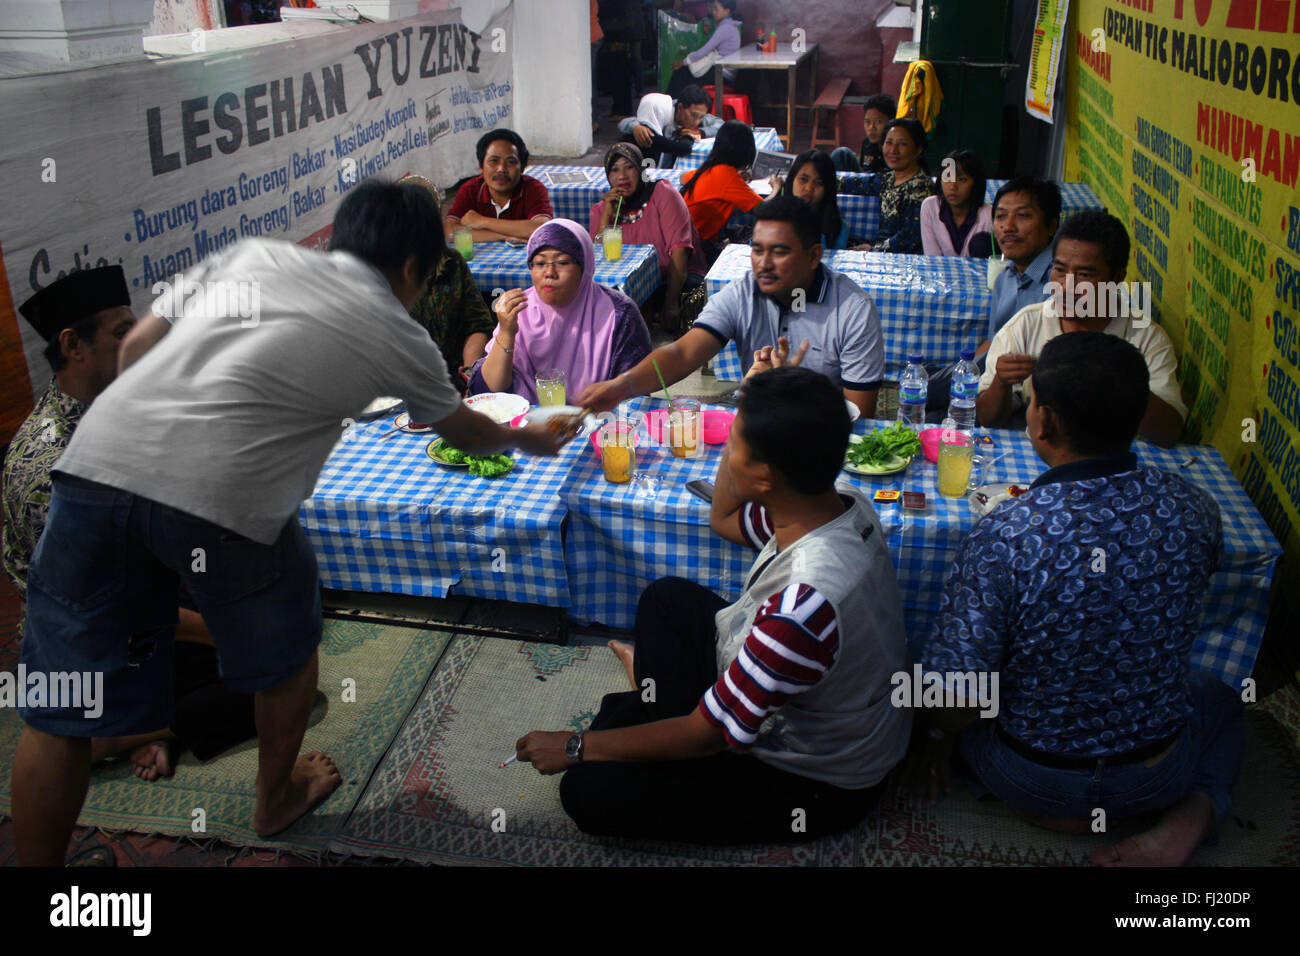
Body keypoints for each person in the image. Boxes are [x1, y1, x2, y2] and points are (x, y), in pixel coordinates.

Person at [10, 180, 574, 866]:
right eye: (425, 280)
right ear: (409, 270)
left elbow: (136, 349)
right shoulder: (401, 335)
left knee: (58, 713)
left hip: (96, 468)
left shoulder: (254, 258)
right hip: (222, 500)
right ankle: (273, 800)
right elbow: (470, 427)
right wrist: (530, 438)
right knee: (289, 655)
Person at [516, 366, 911, 843]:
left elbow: (708, 736)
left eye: (735, 443)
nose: (723, 451)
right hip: (815, 692)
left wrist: (577, 745)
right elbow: (724, 518)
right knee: (667, 598)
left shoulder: (802, 610)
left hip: (818, 777)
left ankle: (645, 699)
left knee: (589, 789)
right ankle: (648, 699)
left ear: (766, 476)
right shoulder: (839, 500)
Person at [907, 332, 1236, 867]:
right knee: (1219, 693)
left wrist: (938, 740)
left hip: (1032, 781)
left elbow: (958, 696)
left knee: (935, 690)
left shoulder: (1005, 532)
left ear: (1044, 421)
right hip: (1156, 777)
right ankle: (1194, 811)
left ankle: (1057, 805)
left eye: (1032, 401)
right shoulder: (1196, 506)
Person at [3, 267, 258, 782]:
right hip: (94, 648)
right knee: (276, 674)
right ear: (74, 346)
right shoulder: (50, 468)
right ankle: (128, 732)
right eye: (123, 333)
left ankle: (152, 725)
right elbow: (104, 613)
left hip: (145, 591)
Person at [575, 195, 884, 417]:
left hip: (823, 435)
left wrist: (787, 394)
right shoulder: (744, 292)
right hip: (755, 421)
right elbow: (682, 353)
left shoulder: (853, 310)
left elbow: (859, 411)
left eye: (779, 252)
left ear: (814, 256)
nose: (763, 263)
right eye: (757, 250)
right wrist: (621, 386)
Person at [975, 210, 1185, 446]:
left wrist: (1120, 379)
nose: (1066, 287)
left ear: (1117, 279)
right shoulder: (1025, 325)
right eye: (1060, 270)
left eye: (1085, 275)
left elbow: (1169, 432)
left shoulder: (1145, 337)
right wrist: (1001, 383)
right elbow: (988, 421)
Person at [468, 219, 652, 402]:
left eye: (562, 262)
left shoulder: (618, 313)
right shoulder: (518, 310)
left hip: (598, 420)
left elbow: (636, 391)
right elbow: (490, 390)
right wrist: (507, 332)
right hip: (528, 423)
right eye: (539, 263)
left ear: (585, 267)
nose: (549, 272)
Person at [590, 143, 708, 329]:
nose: (622, 176)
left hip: (672, 280)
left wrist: (671, 302)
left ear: (640, 168)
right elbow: (598, 259)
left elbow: (680, 251)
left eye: (629, 167)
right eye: (614, 170)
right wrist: (607, 216)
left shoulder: (662, 194)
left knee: (691, 300)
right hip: (630, 288)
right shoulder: (601, 210)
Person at [399, 176, 493, 390]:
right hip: (400, 387)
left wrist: (469, 371)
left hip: (453, 380)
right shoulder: (382, 273)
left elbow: (477, 323)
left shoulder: (451, 262)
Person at [839, 117, 937, 254]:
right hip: (880, 251)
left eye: (902, 144)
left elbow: (909, 237)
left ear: (918, 149)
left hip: (903, 259)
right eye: (889, 142)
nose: (893, 150)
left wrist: (874, 249)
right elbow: (855, 184)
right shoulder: (888, 179)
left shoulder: (920, 187)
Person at [982, 177, 1061, 347]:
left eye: (1023, 215)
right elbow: (993, 342)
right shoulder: (1004, 277)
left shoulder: (1062, 281)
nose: (1008, 226)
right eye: (1001, 216)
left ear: (1052, 226)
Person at [444, 129, 553, 244]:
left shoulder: (533, 188)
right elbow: (450, 232)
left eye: (511, 162)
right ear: (481, 166)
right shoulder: (471, 189)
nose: (501, 169)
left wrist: (482, 221)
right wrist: (502, 236)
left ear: (522, 168)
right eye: (494, 161)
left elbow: (542, 228)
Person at [679, 119, 762, 247]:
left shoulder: (711, 168)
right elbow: (765, 209)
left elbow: (682, 178)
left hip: (687, 238)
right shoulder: (727, 176)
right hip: (699, 246)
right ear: (747, 151)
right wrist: (776, 187)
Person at [920, 148, 993, 258]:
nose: (952, 186)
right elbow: (932, 258)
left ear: (976, 183)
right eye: (947, 178)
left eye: (962, 179)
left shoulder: (988, 215)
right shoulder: (930, 206)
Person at [618, 85, 710, 168]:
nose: (696, 121)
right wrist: (688, 135)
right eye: (693, 115)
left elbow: (719, 124)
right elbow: (683, 149)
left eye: (701, 117)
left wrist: (700, 132)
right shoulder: (646, 134)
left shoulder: (650, 123)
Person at [666, 0, 741, 97]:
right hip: (724, 72)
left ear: (727, 11)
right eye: (713, 8)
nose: (713, 12)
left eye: (716, 9)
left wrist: (684, 62)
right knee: (684, 72)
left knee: (681, 72)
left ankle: (672, 102)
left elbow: (704, 51)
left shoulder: (725, 28)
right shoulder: (730, 25)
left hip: (721, 75)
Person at [778, 149, 849, 250]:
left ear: (827, 189)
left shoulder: (839, 229)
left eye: (818, 183)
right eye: (803, 179)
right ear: (792, 180)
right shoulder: (774, 219)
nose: (809, 188)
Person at [598, 0, 645, 118]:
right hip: (616, 33)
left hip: (621, 34)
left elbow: (629, 17)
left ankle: (623, 110)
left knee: (620, 74)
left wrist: (605, 26)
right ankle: (618, 108)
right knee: (615, 74)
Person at [830, 92, 895, 174]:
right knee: (841, 153)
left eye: (879, 122)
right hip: (867, 183)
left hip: (886, 184)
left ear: (891, 122)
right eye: (867, 122)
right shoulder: (867, 143)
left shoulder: (894, 147)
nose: (871, 127)